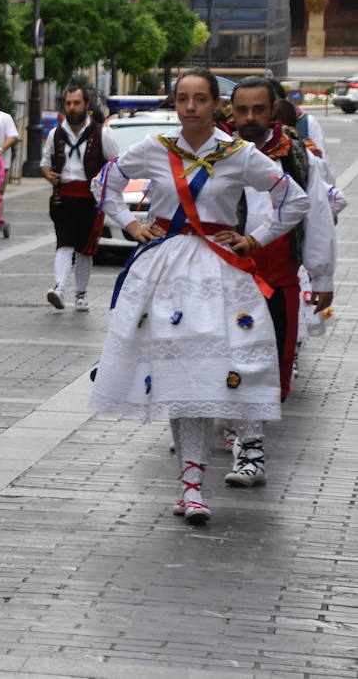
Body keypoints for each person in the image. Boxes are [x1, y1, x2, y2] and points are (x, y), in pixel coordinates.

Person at [92, 69, 305, 524]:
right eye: (184, 99)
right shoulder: (155, 148)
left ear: (216, 106)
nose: (191, 107)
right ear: (175, 103)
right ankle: (190, 489)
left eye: (201, 99)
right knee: (180, 382)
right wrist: (130, 225)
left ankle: (233, 459)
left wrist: (255, 239)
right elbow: (103, 183)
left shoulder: (239, 154)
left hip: (222, 274)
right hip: (166, 272)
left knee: (225, 370)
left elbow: (295, 199)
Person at [222, 76, 337, 489]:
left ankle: (251, 449)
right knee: (222, 359)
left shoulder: (301, 160)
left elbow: (318, 216)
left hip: (278, 274)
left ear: (274, 111)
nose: (249, 118)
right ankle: (236, 441)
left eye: (258, 110)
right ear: (231, 113)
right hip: (223, 273)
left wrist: (322, 275)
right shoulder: (215, 155)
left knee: (268, 364)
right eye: (242, 110)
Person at [39, 87, 119, 312]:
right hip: (62, 197)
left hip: (89, 200)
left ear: (87, 104)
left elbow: (116, 162)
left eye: (76, 103)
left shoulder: (100, 133)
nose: (72, 108)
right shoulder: (56, 134)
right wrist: (47, 173)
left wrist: (103, 187)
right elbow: (45, 161)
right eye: (69, 103)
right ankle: (60, 288)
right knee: (64, 243)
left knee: (85, 249)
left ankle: (81, 295)